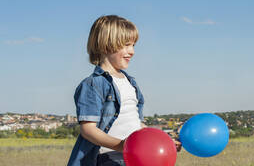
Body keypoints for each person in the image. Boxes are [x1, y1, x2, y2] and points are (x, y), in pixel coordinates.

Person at [67, 15, 181, 166]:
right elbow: (88, 130)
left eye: (133, 45)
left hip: (134, 156)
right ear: (106, 45)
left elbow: (135, 123)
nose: (132, 51)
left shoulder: (130, 82)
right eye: (127, 45)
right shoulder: (92, 84)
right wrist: (123, 145)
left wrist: (162, 140)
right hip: (109, 157)